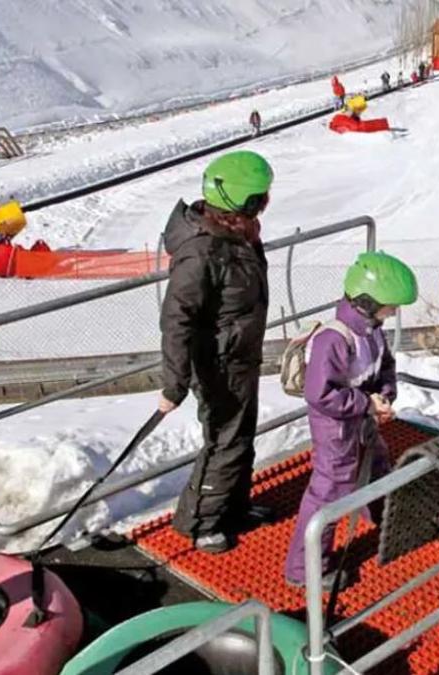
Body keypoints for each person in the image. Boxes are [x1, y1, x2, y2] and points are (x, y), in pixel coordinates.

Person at [160, 151, 273, 554]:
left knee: (240, 437)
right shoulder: (202, 252)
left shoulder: (238, 234)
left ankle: (232, 508)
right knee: (224, 441)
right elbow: (177, 318)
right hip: (218, 365)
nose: (265, 204)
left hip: (240, 355)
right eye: (260, 197)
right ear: (240, 201)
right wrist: (173, 383)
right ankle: (200, 521)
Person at [283, 252, 418, 587]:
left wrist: (384, 392)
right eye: (390, 305)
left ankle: (385, 520)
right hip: (336, 425)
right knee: (329, 491)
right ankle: (306, 571)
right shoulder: (334, 339)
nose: (394, 312)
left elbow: (383, 364)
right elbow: (320, 394)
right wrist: (365, 404)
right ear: (368, 301)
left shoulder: (371, 329)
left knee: (375, 464)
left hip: (360, 413)